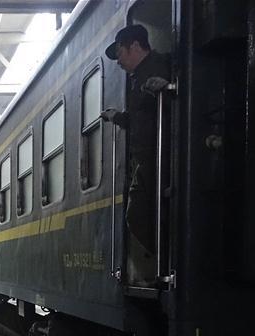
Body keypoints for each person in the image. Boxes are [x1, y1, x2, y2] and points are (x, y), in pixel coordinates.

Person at [101, 24, 170, 286]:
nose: (118, 61)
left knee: (139, 215)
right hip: (146, 159)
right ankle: (165, 262)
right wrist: (116, 117)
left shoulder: (161, 66)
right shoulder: (138, 77)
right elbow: (138, 118)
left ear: (136, 46)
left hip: (159, 157)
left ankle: (169, 264)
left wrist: (166, 88)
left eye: (120, 52)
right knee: (142, 214)